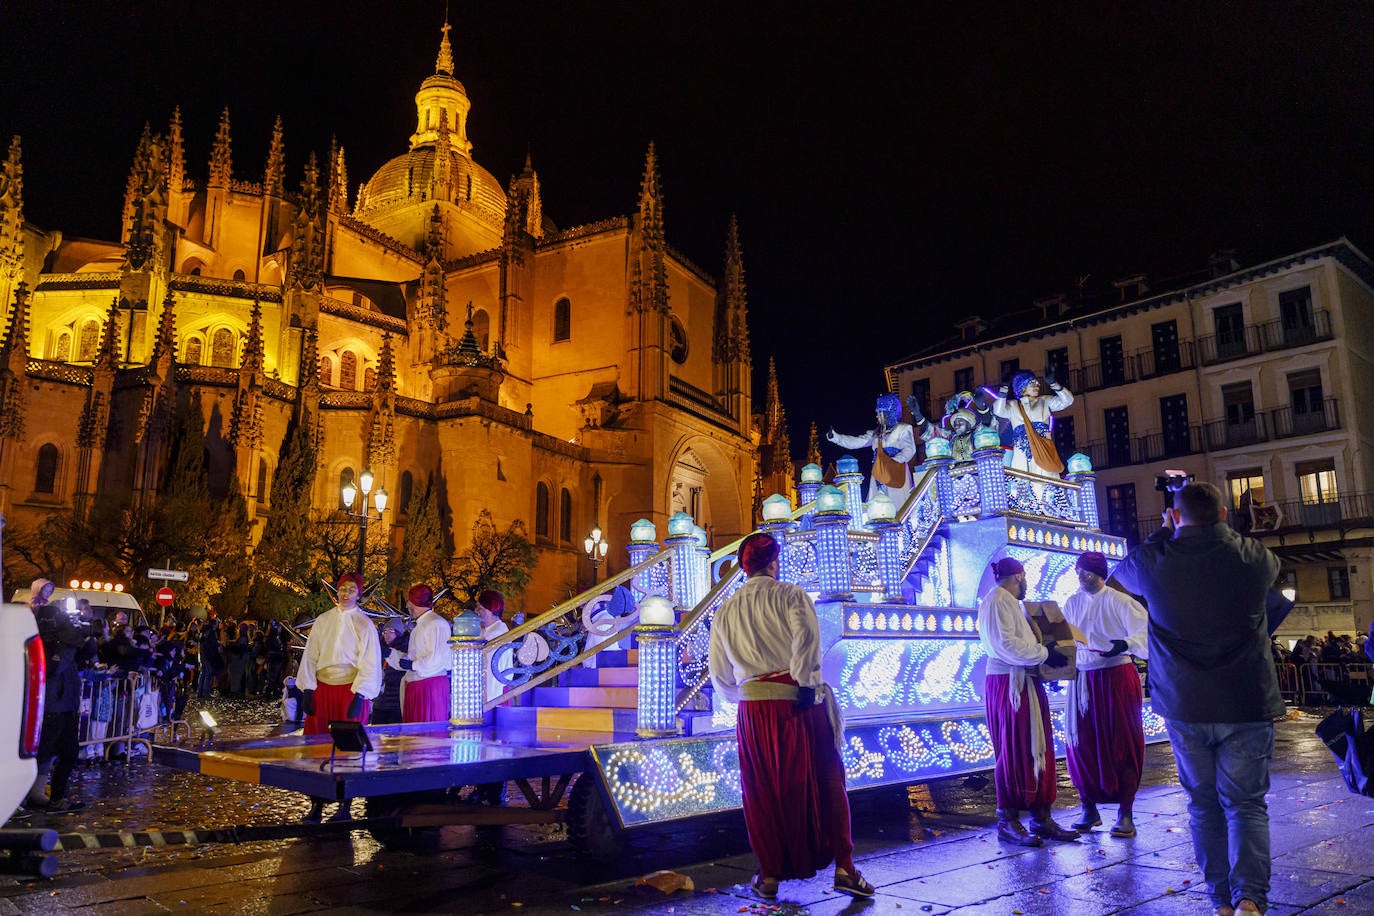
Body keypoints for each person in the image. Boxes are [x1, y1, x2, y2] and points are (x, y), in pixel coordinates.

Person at [1113, 482, 1282, 916]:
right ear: (1224, 515)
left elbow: (1125, 568)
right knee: (1245, 804)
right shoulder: (1252, 559)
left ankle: (1221, 901)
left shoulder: (1155, 560)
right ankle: (1250, 900)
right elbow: (1270, 563)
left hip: (1185, 703)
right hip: (1246, 700)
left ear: (1175, 516)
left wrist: (1163, 533)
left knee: (1204, 805)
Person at [708, 532, 873, 900]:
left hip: (751, 710)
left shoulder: (725, 610)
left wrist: (748, 694)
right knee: (828, 779)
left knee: (760, 789)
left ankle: (768, 874)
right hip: (797, 702)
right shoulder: (791, 595)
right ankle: (845, 867)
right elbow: (807, 645)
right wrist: (804, 685)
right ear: (774, 562)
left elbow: (719, 673)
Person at [977, 556, 1079, 846]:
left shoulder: (1010, 603)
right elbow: (1006, 645)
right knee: (1015, 750)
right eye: (1025, 578)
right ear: (1019, 576)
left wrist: (1045, 655)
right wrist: (1046, 654)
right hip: (1010, 682)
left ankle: (1041, 817)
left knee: (1036, 748)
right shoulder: (997, 601)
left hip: (1025, 680)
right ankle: (1007, 821)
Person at [1060, 551, 1148, 838]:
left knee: (1121, 742)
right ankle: (1088, 807)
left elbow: (1146, 636)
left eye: (1085, 571)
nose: (1080, 575)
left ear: (1099, 573)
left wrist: (1124, 645)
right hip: (1082, 679)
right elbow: (1065, 638)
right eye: (1078, 571)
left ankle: (1126, 813)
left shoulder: (1121, 602)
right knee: (1080, 744)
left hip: (1115, 677)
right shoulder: (1071, 603)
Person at [294, 572, 382, 822]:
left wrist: (361, 694)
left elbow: (370, 661)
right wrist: (308, 688)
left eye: (351, 589)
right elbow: (311, 655)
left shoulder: (365, 624)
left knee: (347, 749)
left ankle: (345, 805)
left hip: (349, 691)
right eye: (342, 588)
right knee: (317, 746)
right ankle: (316, 804)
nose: (346, 593)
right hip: (323, 689)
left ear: (359, 594)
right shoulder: (323, 620)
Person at [826, 392, 918, 510]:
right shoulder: (876, 434)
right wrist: (836, 437)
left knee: (898, 504)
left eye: (880, 413)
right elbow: (855, 442)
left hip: (896, 473)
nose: (877, 416)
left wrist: (893, 462)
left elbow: (910, 450)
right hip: (879, 474)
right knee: (877, 505)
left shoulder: (903, 429)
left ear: (888, 412)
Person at [991, 370, 1073, 477]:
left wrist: (1053, 383)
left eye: (1037, 383)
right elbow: (998, 410)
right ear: (1022, 387)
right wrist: (1004, 389)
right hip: (1021, 455)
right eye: (1031, 383)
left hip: (1044, 451)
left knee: (1047, 483)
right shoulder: (1013, 405)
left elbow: (1068, 400)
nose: (1036, 386)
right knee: (1021, 483)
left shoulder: (1044, 401)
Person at [393, 585, 452, 723]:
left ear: (418, 602)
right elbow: (413, 656)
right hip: (418, 685)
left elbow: (438, 658)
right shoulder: (420, 625)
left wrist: (414, 665)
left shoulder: (436, 623)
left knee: (427, 730)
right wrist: (392, 655)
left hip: (429, 687)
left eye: (410, 601)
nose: (407, 605)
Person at [475, 590, 509, 703]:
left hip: (493, 694)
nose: (476, 611)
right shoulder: (485, 631)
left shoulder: (498, 633)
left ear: (491, 610)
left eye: (480, 608)